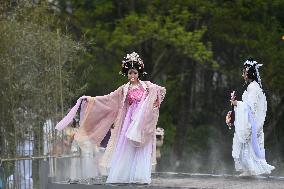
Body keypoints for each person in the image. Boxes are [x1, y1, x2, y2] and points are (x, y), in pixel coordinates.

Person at [55, 52, 166, 184]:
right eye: (130, 73)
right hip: (129, 120)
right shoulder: (124, 89)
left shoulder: (147, 86)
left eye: (135, 73)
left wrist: (153, 104)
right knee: (127, 146)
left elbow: (159, 92)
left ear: (139, 73)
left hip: (141, 121)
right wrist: (91, 100)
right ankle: (125, 174)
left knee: (142, 146)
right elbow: (108, 99)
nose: (132, 75)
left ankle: (139, 175)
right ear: (127, 73)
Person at [226, 58, 275, 176]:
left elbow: (251, 108)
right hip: (250, 122)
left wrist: (237, 103)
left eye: (244, 72)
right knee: (245, 146)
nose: (243, 74)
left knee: (246, 145)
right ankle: (249, 169)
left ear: (248, 73)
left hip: (252, 123)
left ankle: (251, 170)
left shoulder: (253, 87)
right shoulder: (253, 86)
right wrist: (233, 112)